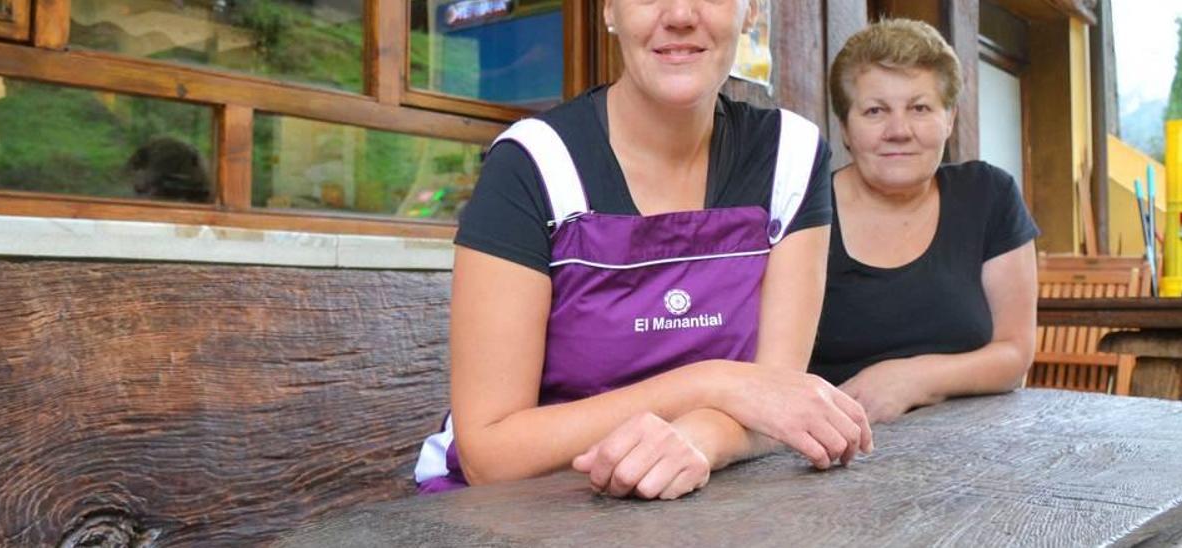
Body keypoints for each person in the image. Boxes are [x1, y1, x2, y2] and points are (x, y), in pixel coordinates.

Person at [415, 0, 873, 501]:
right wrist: (710, 384)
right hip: (524, 509)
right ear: (609, 11)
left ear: (750, 12)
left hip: (709, 502)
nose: (680, 13)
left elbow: (775, 399)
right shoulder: (534, 164)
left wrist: (701, 437)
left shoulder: (791, 155)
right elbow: (489, 454)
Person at [810, 19, 1039, 424]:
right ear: (845, 127)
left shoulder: (989, 195)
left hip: (979, 448)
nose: (898, 131)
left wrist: (911, 379)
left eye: (920, 108)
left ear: (949, 119)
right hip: (837, 452)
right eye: (875, 111)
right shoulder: (808, 211)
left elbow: (1015, 355)